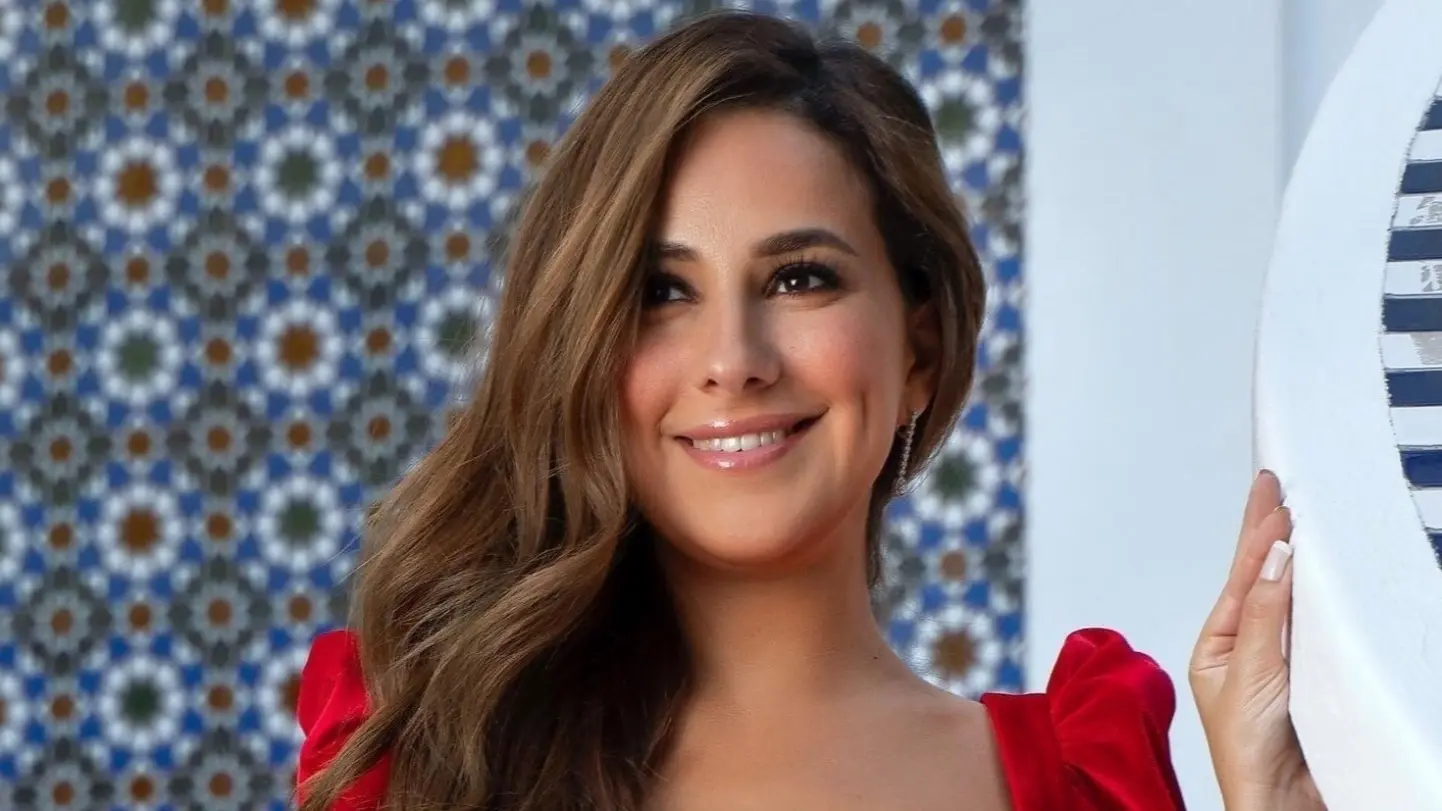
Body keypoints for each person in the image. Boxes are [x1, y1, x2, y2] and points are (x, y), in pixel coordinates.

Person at [294, 12, 1323, 811]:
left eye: (798, 278)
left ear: (920, 348)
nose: (732, 362)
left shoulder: (1076, 775)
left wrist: (1273, 796)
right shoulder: (426, 752)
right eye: (661, 291)